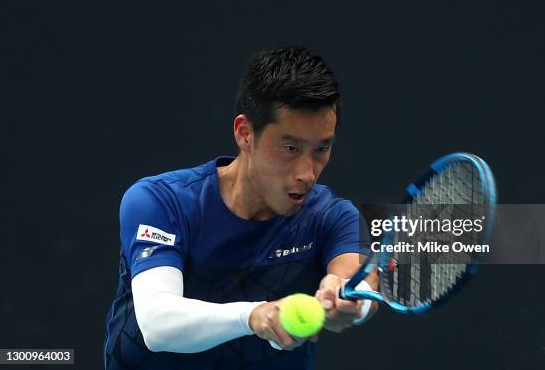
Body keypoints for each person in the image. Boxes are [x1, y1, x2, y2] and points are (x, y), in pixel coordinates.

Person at [103, 47, 377, 369]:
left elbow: (358, 280)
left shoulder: (332, 217)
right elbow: (157, 324)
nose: (307, 172)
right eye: (291, 148)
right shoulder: (161, 201)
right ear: (245, 134)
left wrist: (348, 302)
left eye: (322, 148)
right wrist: (254, 315)